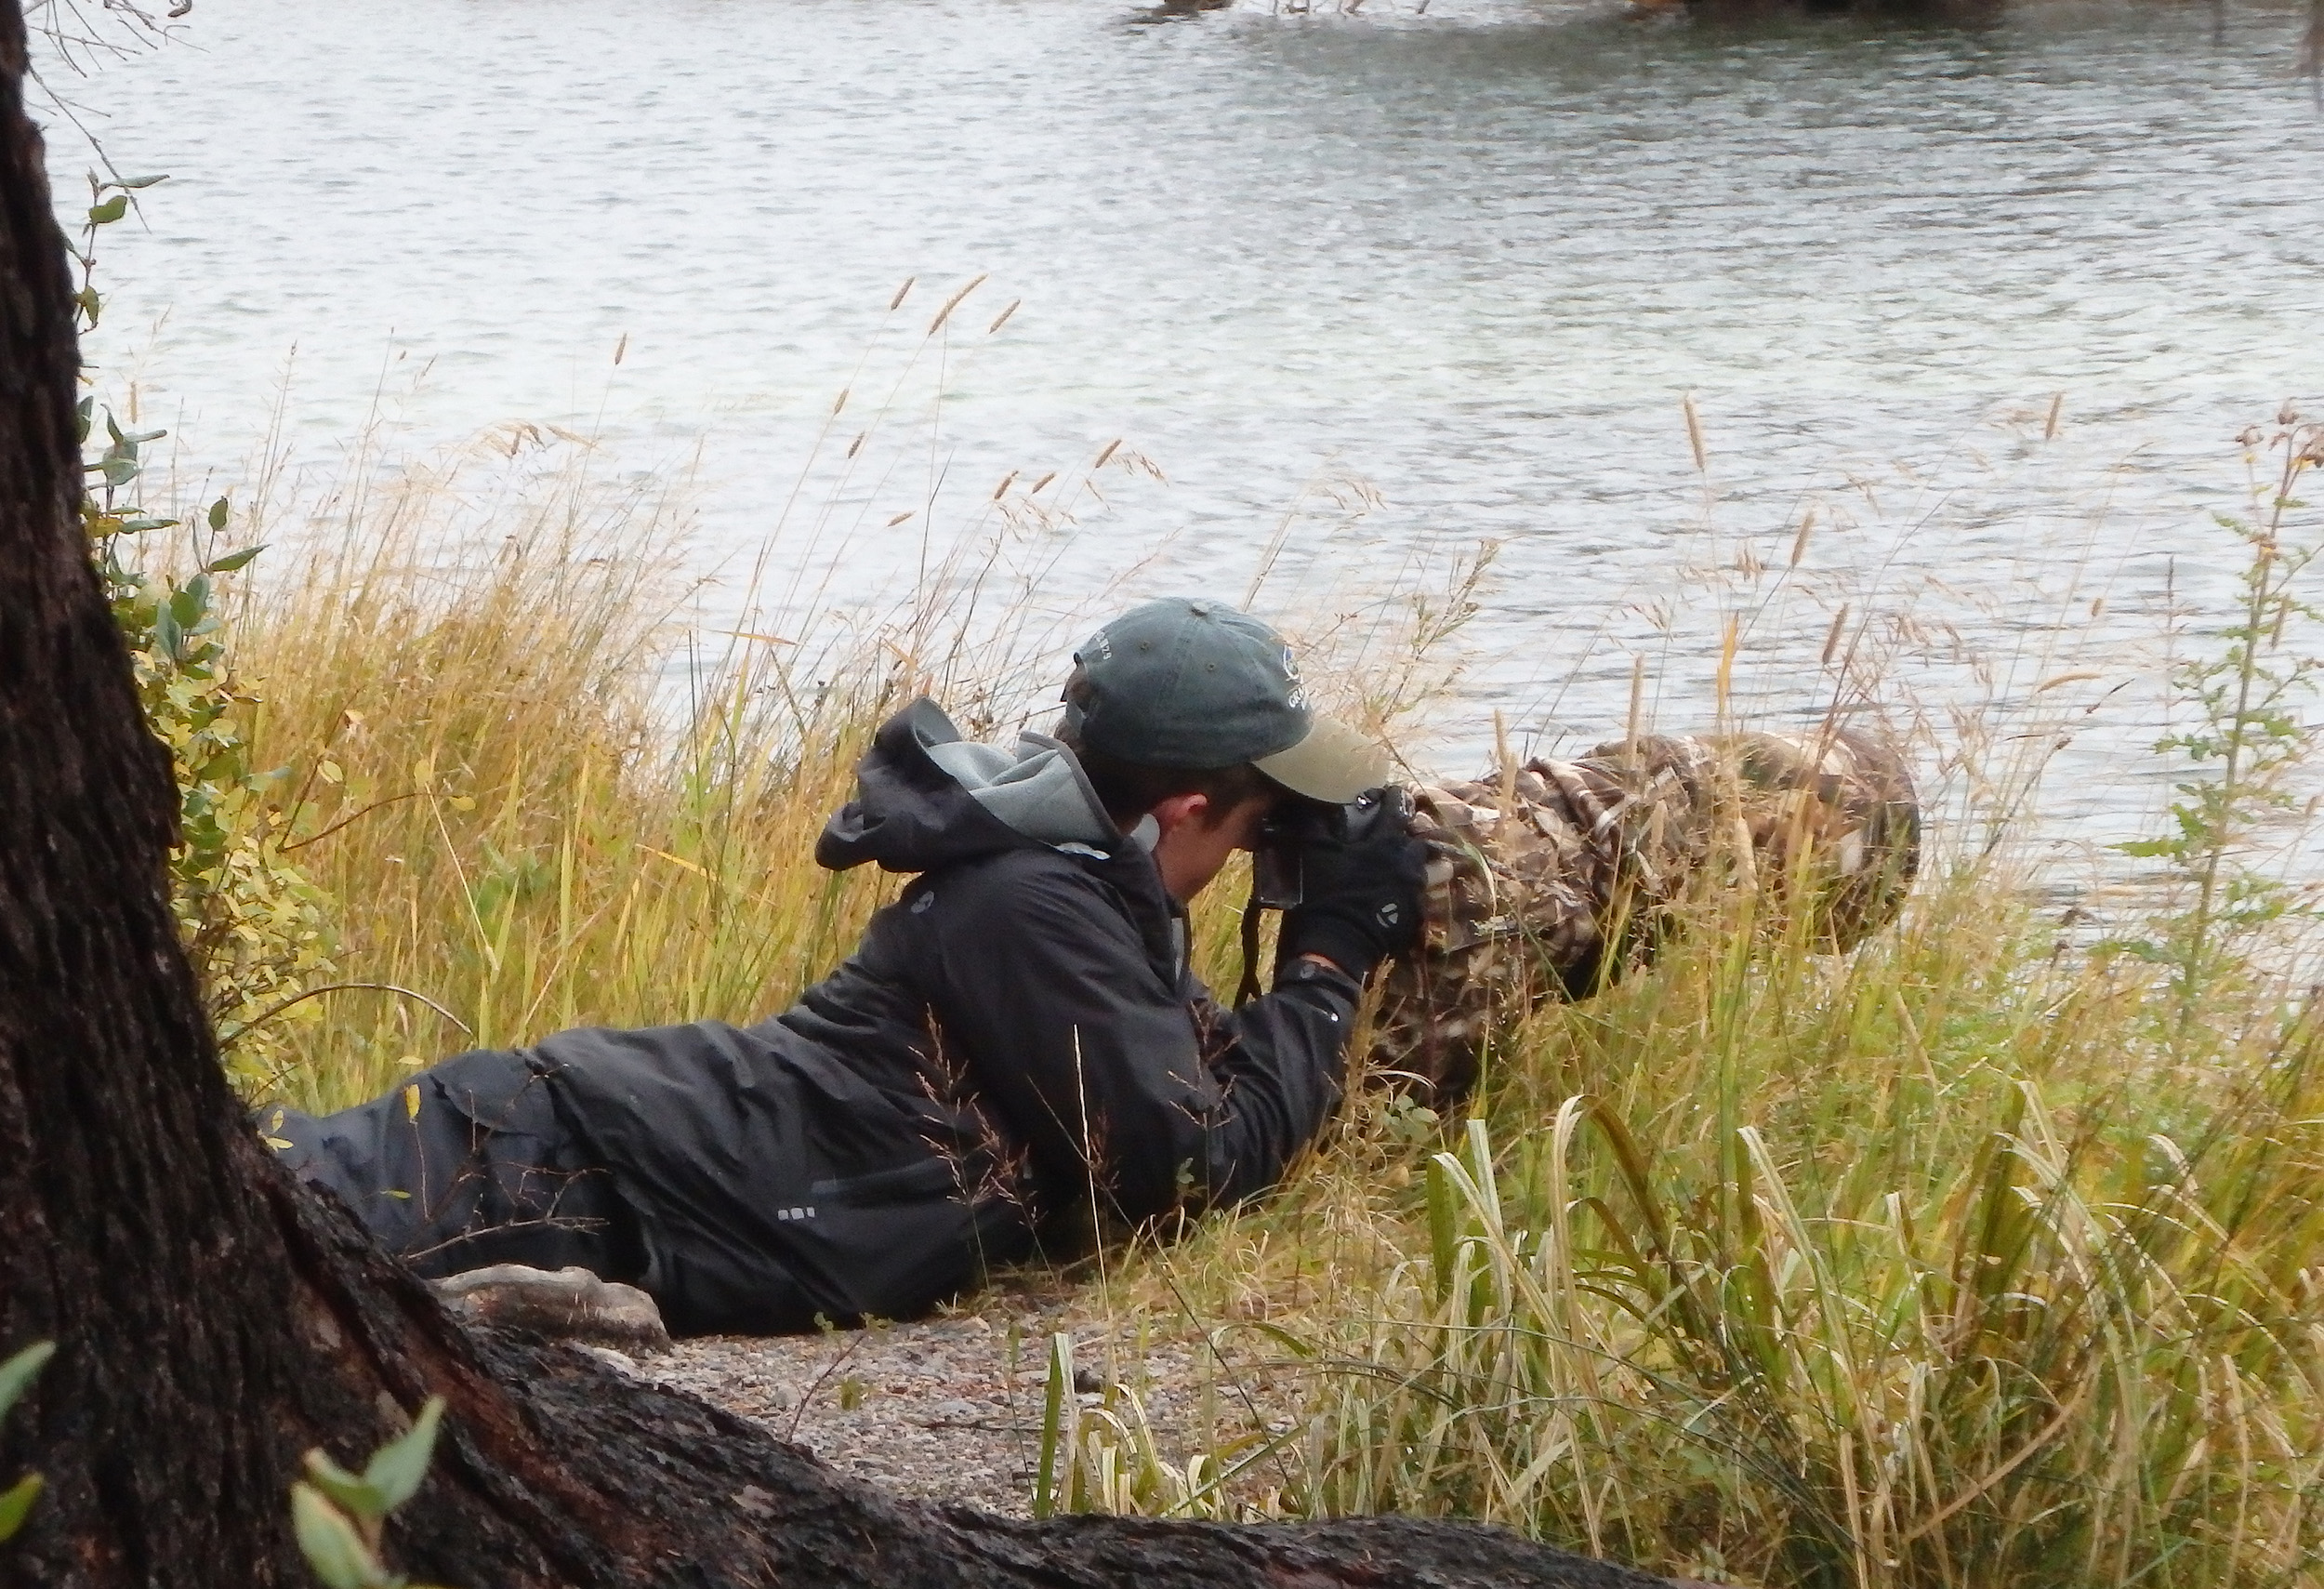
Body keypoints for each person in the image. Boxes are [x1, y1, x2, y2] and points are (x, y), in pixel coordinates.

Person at [272, 598, 1429, 1337]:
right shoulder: (1030, 902)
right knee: (235, 1222)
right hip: (544, 1163)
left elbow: (1187, 1100)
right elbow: (1189, 1166)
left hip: (603, 1171)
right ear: (1185, 807)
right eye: (1255, 826)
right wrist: (1329, 953)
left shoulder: (1078, 888)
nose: (1253, 854)